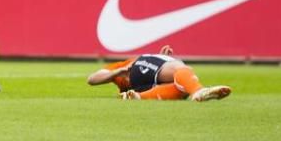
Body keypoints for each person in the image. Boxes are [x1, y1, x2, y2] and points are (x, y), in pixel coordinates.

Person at [87, 45, 231, 101]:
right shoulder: (123, 66)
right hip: (140, 65)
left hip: (144, 83)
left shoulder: (132, 68)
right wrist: (118, 71)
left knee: (182, 89)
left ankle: (137, 97)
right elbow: (92, 79)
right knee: (181, 69)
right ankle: (199, 90)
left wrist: (160, 58)